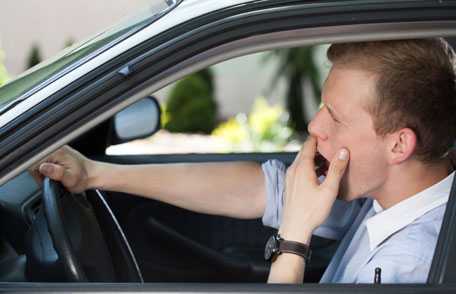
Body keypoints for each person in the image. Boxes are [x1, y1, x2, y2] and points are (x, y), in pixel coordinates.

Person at [33, 38, 456, 284]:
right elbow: (255, 188)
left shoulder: (412, 267)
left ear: (399, 145)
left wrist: (294, 236)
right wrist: (96, 174)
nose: (314, 126)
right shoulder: (383, 193)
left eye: (336, 117)